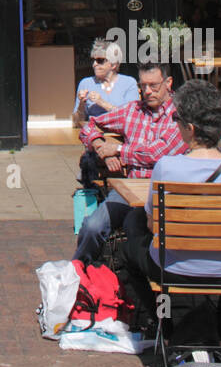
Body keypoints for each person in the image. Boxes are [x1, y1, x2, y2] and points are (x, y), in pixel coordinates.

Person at [122, 80, 221, 338]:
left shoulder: (167, 167)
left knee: (130, 246)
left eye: (177, 119)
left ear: (190, 128)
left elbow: (153, 225)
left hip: (174, 270)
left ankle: (167, 322)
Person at [73, 62, 186, 264]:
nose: (147, 91)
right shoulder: (133, 111)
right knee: (92, 226)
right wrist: (101, 146)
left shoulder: (180, 115)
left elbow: (158, 153)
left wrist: (118, 150)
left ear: (168, 83)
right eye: (143, 86)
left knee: (139, 235)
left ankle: (145, 278)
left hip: (167, 193)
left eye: (154, 85)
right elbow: (88, 124)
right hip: (129, 189)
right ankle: (79, 274)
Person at [73, 39, 139, 187]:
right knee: (89, 162)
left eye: (100, 60)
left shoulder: (129, 83)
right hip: (96, 141)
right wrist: (81, 105)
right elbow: (77, 122)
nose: (94, 64)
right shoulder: (86, 83)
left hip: (122, 141)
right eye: (93, 60)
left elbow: (132, 116)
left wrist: (103, 103)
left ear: (113, 64)